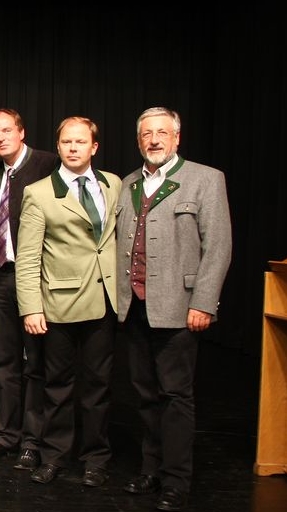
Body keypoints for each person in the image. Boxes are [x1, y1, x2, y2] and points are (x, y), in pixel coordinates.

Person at [116, 107, 232, 512]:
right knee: (144, 395)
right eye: (146, 133)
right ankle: (151, 468)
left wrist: (203, 302)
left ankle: (176, 480)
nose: (154, 139)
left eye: (162, 132)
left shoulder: (205, 179)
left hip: (179, 309)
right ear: (138, 140)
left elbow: (217, 247)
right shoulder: (129, 183)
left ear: (177, 137)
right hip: (134, 308)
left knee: (175, 397)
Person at [16, 116, 121, 487]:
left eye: (80, 142)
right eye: (66, 142)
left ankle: (96, 459)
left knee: (98, 386)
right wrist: (30, 307)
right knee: (57, 386)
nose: (73, 148)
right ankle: (54, 456)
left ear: (94, 147)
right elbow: (28, 257)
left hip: (105, 301)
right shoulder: (40, 192)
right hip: (58, 303)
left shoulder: (114, 185)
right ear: (58, 147)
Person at [0, 108, 58, 470]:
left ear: (21, 132)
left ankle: (33, 441)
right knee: (5, 361)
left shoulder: (48, 165)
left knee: (35, 363)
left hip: (35, 279)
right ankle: (6, 435)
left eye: (7, 131)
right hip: (0, 275)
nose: (1, 138)